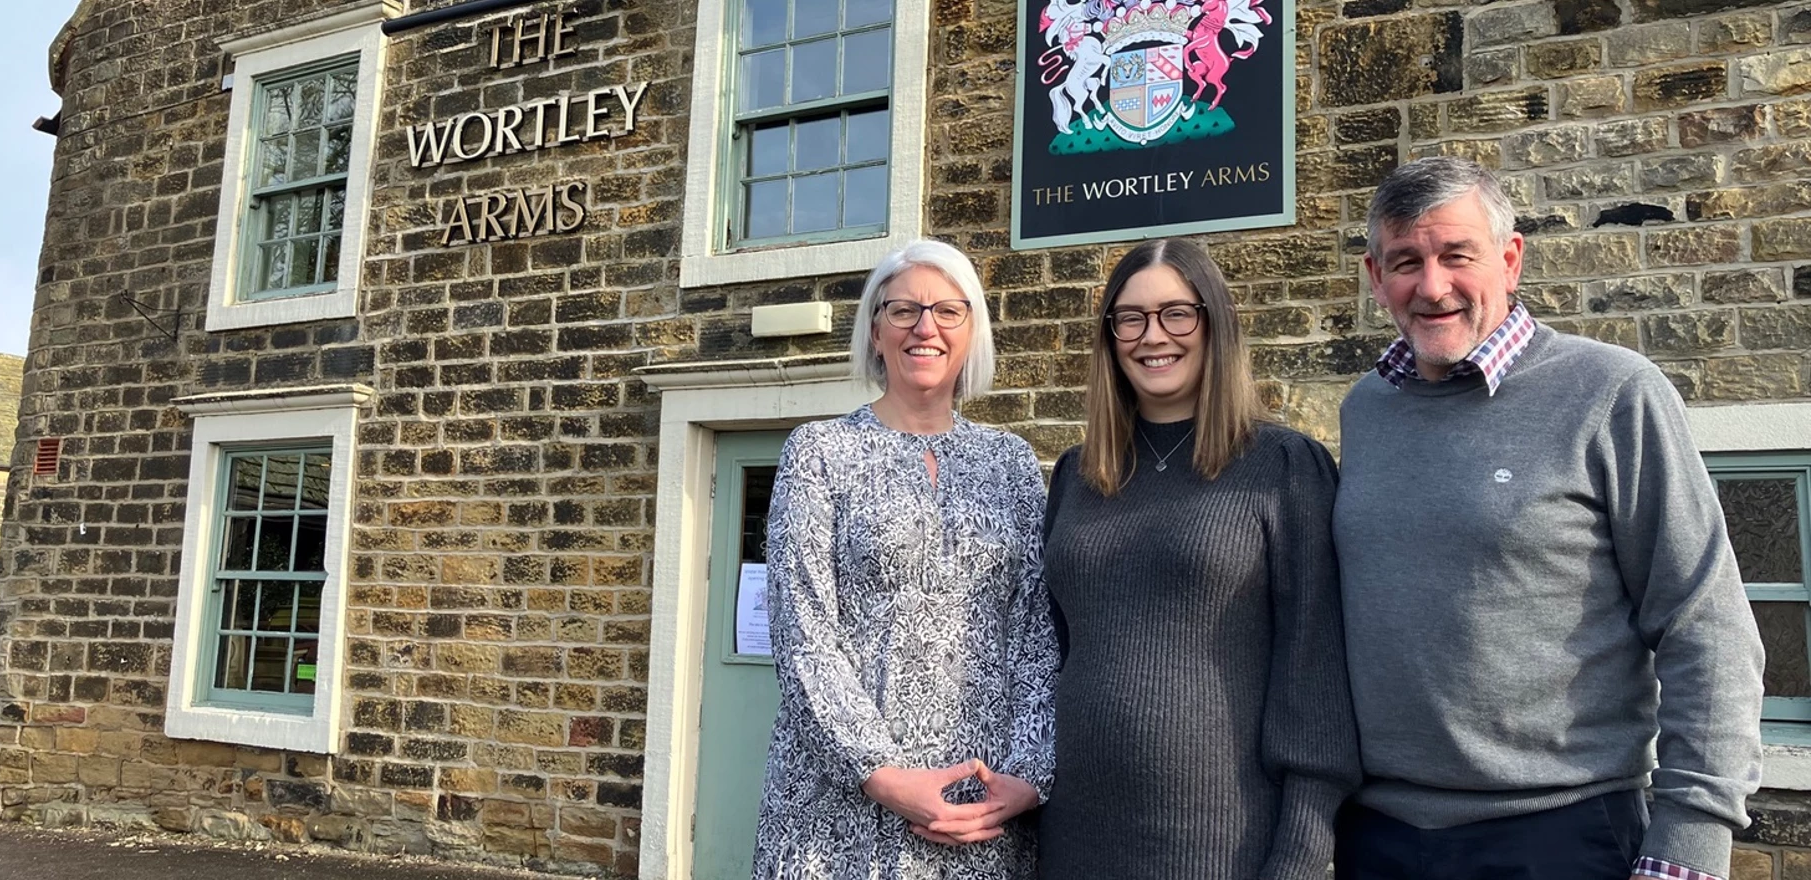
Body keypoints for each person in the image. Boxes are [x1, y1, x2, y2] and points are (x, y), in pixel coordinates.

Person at [1332, 156, 1766, 880]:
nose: (1431, 286)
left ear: (1509, 259)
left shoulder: (1613, 393)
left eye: (1456, 256)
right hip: (1378, 836)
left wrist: (1691, 841)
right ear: (1378, 279)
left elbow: (1706, 625)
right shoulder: (1366, 410)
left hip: (1559, 836)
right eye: (1406, 261)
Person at [1037, 238, 1360, 880]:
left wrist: (1300, 851)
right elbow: (1054, 649)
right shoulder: (1078, 474)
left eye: (1176, 313)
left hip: (1220, 840)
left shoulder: (1282, 467)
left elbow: (1314, 666)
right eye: (1130, 318)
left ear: (1215, 322)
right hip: (1071, 831)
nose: (1152, 335)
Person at [752, 239, 1059, 880]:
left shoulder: (1012, 463)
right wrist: (881, 774)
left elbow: (1036, 634)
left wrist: (1029, 775)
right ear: (875, 329)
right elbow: (802, 633)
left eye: (949, 311)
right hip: (840, 806)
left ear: (972, 331)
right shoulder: (819, 453)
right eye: (904, 310)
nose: (926, 327)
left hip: (981, 804)